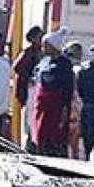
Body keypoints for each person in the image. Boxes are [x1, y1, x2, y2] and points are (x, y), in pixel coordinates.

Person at [30, 30, 75, 158]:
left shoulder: (64, 64)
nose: (43, 48)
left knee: (54, 138)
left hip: (56, 108)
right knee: (41, 136)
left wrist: (65, 110)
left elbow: (67, 89)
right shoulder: (45, 62)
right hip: (43, 107)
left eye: (46, 45)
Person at [14, 26, 44, 149]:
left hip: (38, 93)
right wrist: (30, 78)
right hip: (29, 93)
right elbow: (17, 67)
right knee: (30, 122)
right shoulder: (28, 53)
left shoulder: (41, 52)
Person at [76, 44, 94, 160]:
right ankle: (88, 156)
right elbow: (80, 89)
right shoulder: (83, 71)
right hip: (87, 107)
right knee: (88, 136)